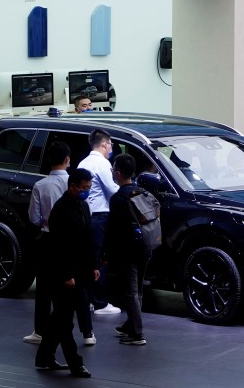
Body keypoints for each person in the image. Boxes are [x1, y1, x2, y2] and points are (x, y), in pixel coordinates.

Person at [24, 142, 95, 347]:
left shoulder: (40, 186)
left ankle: (40, 331)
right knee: (80, 289)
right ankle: (87, 332)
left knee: (45, 288)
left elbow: (34, 218)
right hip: (76, 242)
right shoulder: (76, 181)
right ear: (67, 159)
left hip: (49, 240)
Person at [35, 168, 96, 379]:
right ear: (73, 186)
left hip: (79, 272)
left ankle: (44, 357)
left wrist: (93, 266)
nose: (87, 191)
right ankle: (75, 364)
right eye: (84, 187)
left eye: (89, 187)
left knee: (59, 318)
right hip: (63, 275)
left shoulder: (83, 206)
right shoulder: (60, 211)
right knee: (64, 321)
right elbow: (59, 248)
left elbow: (87, 240)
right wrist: (66, 275)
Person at [102, 154, 150, 346]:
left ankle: (137, 334)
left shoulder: (118, 198)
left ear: (118, 174)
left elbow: (112, 229)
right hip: (145, 247)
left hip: (127, 250)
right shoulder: (142, 193)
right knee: (138, 290)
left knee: (130, 291)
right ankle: (131, 324)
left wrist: (106, 253)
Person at [78, 129, 121, 316]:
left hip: (85, 215)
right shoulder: (102, 163)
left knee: (87, 259)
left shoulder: (83, 162)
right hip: (100, 216)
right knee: (100, 260)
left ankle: (88, 299)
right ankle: (100, 303)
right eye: (110, 144)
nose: (111, 148)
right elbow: (113, 190)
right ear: (104, 144)